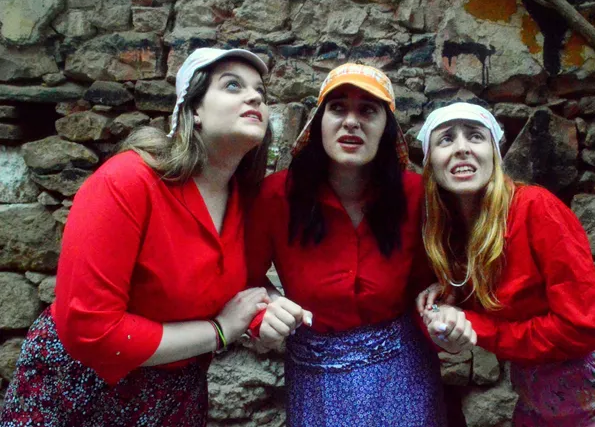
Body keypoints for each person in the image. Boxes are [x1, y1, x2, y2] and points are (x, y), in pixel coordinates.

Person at [1, 47, 273, 427]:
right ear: (193, 109)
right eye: (232, 85)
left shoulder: (248, 203)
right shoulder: (129, 181)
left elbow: (239, 285)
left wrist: (267, 312)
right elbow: (90, 329)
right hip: (82, 389)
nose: (255, 97)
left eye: (261, 91)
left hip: (173, 399)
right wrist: (219, 331)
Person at [415, 102, 595, 426]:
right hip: (541, 398)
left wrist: (477, 326)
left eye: (476, 136)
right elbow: (478, 307)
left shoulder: (536, 208)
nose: (462, 148)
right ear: (430, 162)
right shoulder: (448, 233)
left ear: (494, 154)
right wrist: (444, 307)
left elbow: (583, 327)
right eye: (446, 139)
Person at [244, 63, 446, 426]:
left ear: (387, 128)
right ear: (318, 122)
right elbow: (247, 279)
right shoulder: (276, 196)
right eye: (338, 108)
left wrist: (441, 297)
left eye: (368, 110)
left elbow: (432, 279)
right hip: (315, 377)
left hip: (402, 373)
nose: (351, 122)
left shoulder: (415, 196)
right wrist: (266, 312)